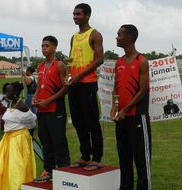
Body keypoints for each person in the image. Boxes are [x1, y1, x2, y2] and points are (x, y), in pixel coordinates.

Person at [111, 24, 151, 190]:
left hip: (136, 116)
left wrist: (125, 109)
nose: (116, 37)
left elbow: (143, 90)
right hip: (121, 117)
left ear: (128, 37)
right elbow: (115, 87)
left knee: (141, 159)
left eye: (119, 35)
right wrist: (114, 107)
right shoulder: (118, 62)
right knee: (124, 157)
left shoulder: (141, 61)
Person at [0, 82, 36, 190]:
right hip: (8, 138)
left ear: (15, 93)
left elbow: (32, 121)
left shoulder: (22, 106)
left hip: (18, 139)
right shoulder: (10, 104)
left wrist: (26, 134)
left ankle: (15, 186)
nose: (5, 93)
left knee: (15, 166)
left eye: (8, 91)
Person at [68, 3, 104, 171]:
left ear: (88, 15)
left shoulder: (94, 34)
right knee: (78, 121)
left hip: (88, 83)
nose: (75, 17)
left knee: (91, 122)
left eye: (79, 14)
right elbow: (71, 60)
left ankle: (96, 157)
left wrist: (79, 76)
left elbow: (99, 59)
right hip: (74, 84)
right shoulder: (74, 37)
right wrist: (69, 77)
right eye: (74, 14)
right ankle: (85, 155)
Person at [33, 35, 70, 182]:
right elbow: (39, 86)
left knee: (58, 141)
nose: (43, 48)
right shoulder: (40, 66)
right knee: (45, 141)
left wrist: (48, 101)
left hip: (56, 110)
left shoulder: (60, 65)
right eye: (42, 46)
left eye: (46, 46)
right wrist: (35, 98)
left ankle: (64, 171)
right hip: (42, 111)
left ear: (54, 48)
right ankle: (48, 170)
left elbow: (66, 88)